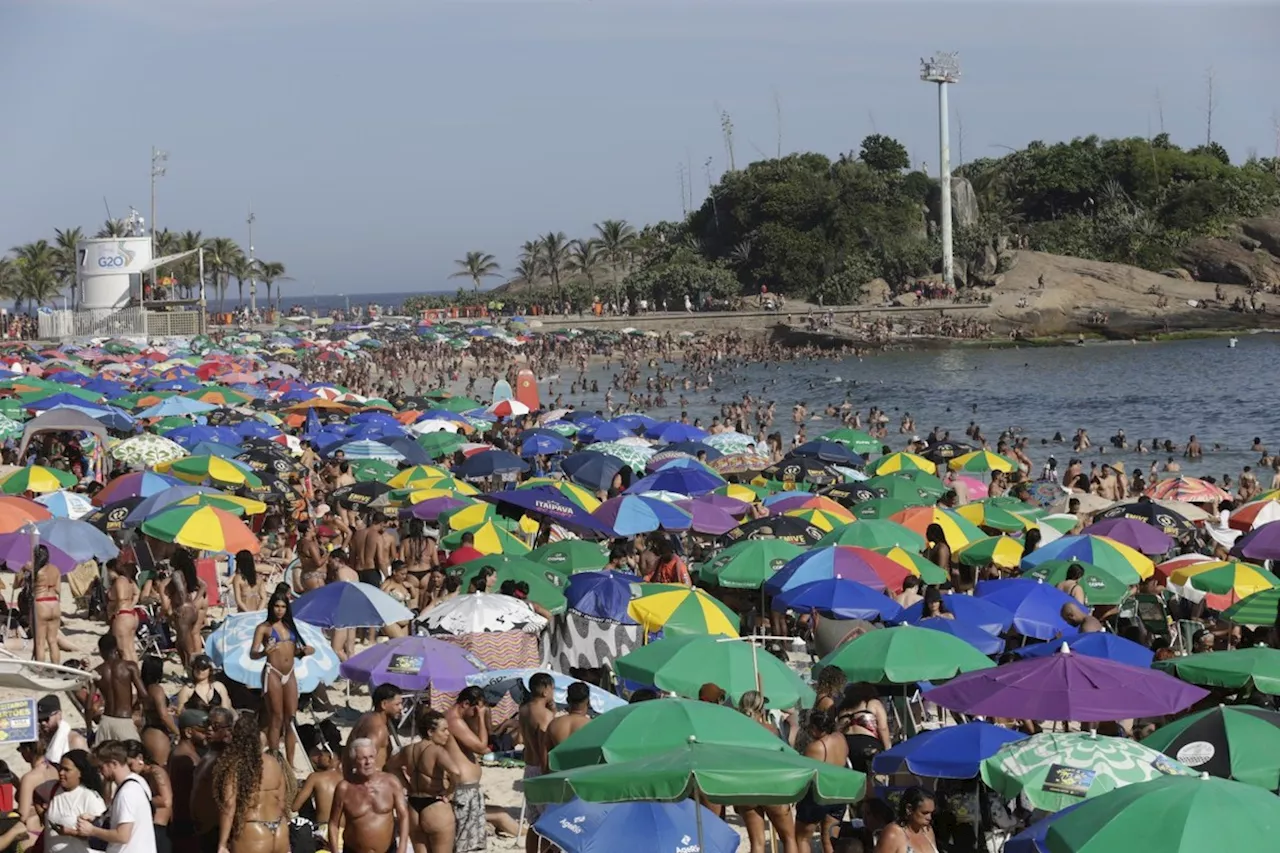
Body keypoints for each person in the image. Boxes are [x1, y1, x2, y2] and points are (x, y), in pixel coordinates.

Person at [249, 590, 313, 763]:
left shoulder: (290, 626)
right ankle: (276, 759)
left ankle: (290, 763)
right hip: (273, 672)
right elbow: (252, 654)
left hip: (290, 672)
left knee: (291, 719)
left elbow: (297, 650)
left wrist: (305, 651)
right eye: (277, 606)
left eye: (283, 606)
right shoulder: (264, 628)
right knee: (276, 717)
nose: (280, 610)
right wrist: (264, 652)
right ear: (271, 607)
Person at [213, 713, 291, 853]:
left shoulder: (236, 767)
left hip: (253, 830)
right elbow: (281, 801)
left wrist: (222, 843)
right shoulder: (273, 763)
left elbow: (229, 806)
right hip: (280, 828)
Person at [387, 709, 461, 853]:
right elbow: (456, 772)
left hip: (414, 806)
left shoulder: (409, 749)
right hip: (435, 805)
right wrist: (450, 792)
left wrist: (407, 785)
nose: (448, 733)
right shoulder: (437, 751)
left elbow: (390, 766)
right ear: (430, 732)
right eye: (444, 730)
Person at [734, 691, 798, 853]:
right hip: (771, 787)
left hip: (747, 789)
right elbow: (782, 760)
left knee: (757, 843)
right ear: (762, 710)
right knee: (789, 838)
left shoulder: (734, 734)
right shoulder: (771, 731)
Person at [72, 740, 156, 853]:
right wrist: (96, 819)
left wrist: (92, 830)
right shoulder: (138, 782)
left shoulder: (127, 792)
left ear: (114, 764)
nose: (99, 772)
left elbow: (122, 836)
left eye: (101, 767)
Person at [444, 687, 502, 852]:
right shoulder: (453, 721)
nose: (476, 713)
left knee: (472, 842)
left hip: (468, 788)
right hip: (463, 788)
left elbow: (478, 737)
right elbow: (482, 747)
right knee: (465, 845)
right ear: (465, 704)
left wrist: (477, 718)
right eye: (475, 710)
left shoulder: (460, 719)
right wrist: (482, 717)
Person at [329, 738, 410, 853]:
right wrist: (335, 851)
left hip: (388, 850)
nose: (368, 762)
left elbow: (404, 816)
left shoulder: (391, 782)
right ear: (354, 761)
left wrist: (402, 847)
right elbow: (333, 824)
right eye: (363, 758)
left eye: (371, 757)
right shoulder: (344, 788)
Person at [793, 710, 849, 853]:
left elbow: (804, 774)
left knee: (802, 838)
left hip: (819, 795)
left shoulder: (816, 747)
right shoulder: (840, 738)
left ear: (815, 728)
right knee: (829, 838)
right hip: (839, 793)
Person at [517, 673, 556, 853]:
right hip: (541, 769)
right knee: (549, 823)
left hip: (529, 767)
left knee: (534, 823)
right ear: (546, 689)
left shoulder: (523, 709)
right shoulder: (545, 715)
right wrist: (549, 775)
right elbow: (544, 748)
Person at [191, 707, 236, 853]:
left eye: (216, 726)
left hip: (214, 831)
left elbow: (228, 801)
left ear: (228, 731)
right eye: (207, 724)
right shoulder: (208, 754)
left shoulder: (226, 760)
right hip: (202, 831)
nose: (209, 729)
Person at [44, 748, 107, 853]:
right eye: (60, 768)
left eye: (66, 770)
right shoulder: (53, 788)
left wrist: (71, 832)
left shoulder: (90, 797)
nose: (61, 773)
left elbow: (101, 838)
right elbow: (34, 792)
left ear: (80, 772)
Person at [166, 709, 209, 853]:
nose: (207, 734)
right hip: (186, 826)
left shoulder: (188, 753)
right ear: (189, 732)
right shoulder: (184, 759)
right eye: (202, 730)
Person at [94, 634, 146, 743]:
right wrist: (135, 707)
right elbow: (143, 694)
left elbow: (89, 705)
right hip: (124, 719)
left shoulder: (97, 671)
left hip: (106, 721)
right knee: (134, 757)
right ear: (116, 648)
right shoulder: (129, 667)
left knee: (103, 758)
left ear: (101, 651)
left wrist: (89, 727)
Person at [292, 741, 343, 849]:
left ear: (330, 757)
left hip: (324, 831)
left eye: (321, 755)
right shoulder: (347, 778)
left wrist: (300, 790)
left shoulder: (315, 778)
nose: (318, 758)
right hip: (344, 831)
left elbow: (295, 806)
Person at [126, 741, 174, 853]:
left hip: (158, 828)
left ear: (140, 758)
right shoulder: (139, 776)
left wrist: (141, 800)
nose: (129, 769)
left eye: (130, 765)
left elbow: (166, 801)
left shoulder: (156, 772)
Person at [347, 684, 403, 773]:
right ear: (384, 704)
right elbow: (365, 760)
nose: (401, 708)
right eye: (397, 704)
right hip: (372, 780)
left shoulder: (366, 717)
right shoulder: (378, 729)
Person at [874, 787, 939, 853]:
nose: (929, 817)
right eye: (924, 813)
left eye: (931, 813)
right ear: (909, 809)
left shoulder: (928, 831)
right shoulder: (893, 834)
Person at [141, 657, 179, 767]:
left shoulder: (144, 688)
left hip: (147, 731)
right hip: (158, 735)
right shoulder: (156, 689)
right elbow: (163, 716)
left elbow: (150, 709)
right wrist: (177, 732)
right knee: (161, 769)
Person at [107, 560, 142, 663]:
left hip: (122, 615)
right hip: (131, 614)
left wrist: (114, 611)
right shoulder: (128, 580)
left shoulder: (119, 580)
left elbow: (121, 598)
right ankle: (135, 673)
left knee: (123, 650)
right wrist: (131, 605)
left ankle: (129, 674)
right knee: (131, 649)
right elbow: (137, 592)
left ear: (113, 570)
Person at [32, 545, 62, 664]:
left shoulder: (34, 570)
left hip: (41, 603)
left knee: (40, 642)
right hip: (54, 603)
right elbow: (59, 590)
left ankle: (40, 670)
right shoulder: (56, 569)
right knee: (53, 641)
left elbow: (18, 584)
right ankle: (56, 668)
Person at [545, 683, 592, 750]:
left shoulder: (554, 724)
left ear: (567, 699)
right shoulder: (591, 726)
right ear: (588, 701)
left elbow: (546, 753)